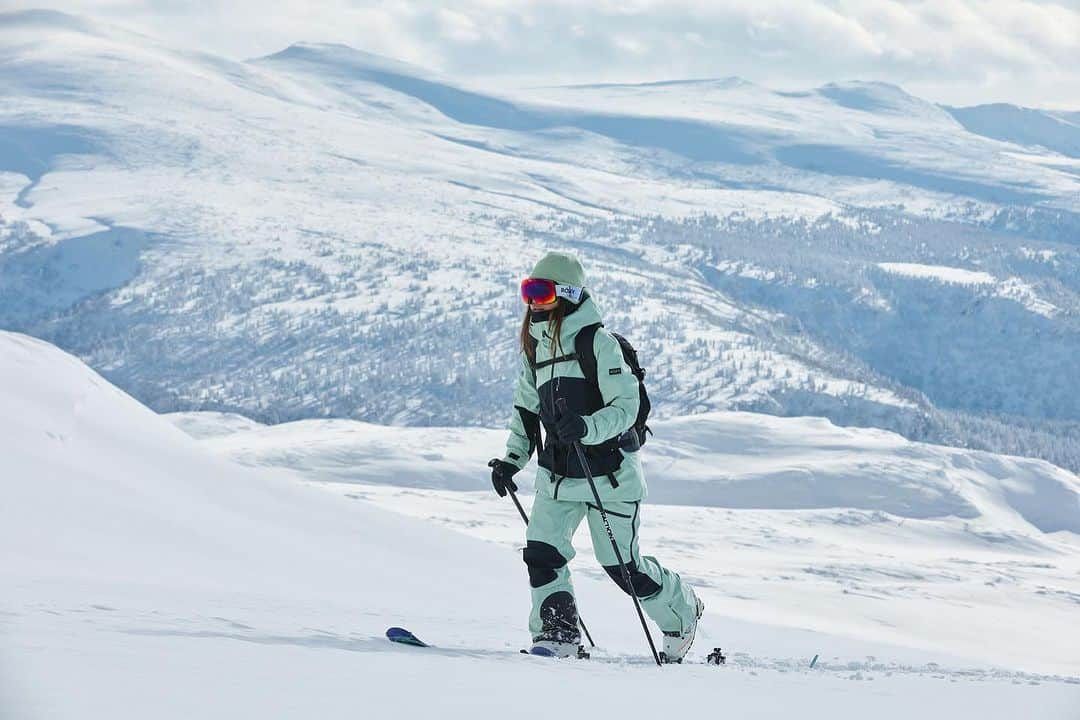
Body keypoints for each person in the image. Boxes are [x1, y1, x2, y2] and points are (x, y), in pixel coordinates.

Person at [488, 251, 703, 662]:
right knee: (542, 553)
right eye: (527, 291)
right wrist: (512, 460)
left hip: (609, 476)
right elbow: (526, 413)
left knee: (624, 568)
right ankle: (559, 635)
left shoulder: (598, 345)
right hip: (557, 476)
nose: (532, 301)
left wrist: (587, 426)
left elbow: (626, 406)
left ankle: (683, 611)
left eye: (541, 291)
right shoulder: (535, 352)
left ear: (566, 294)